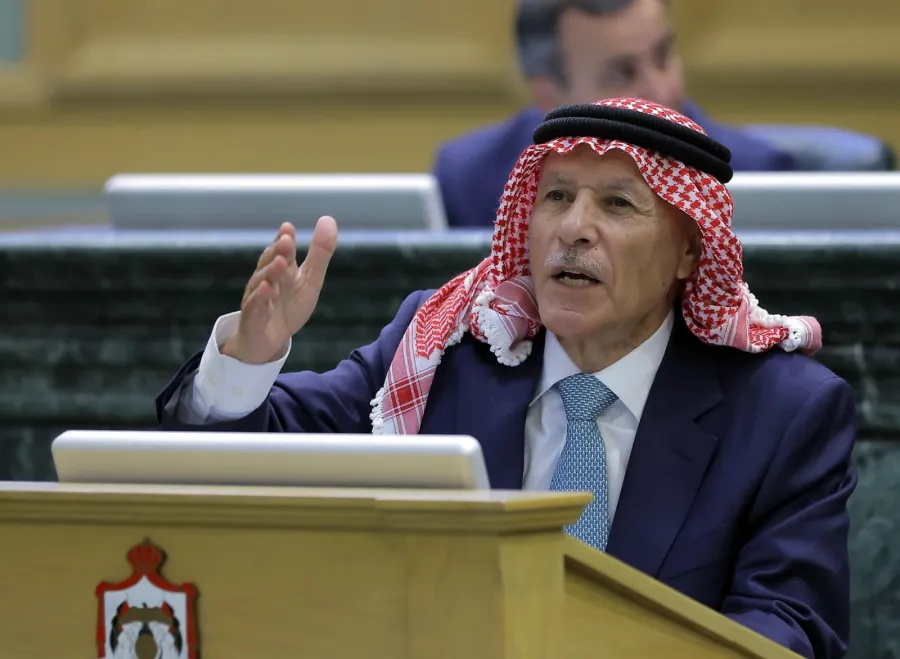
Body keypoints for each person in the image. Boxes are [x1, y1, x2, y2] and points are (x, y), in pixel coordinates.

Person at [157, 98, 855, 659]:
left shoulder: (781, 412)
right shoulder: (443, 348)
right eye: (556, 196)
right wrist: (248, 358)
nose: (574, 228)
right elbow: (257, 462)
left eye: (617, 204)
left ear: (689, 253)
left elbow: (788, 626)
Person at [434, 0, 796, 228]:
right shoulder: (470, 182)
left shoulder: (756, 173)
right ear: (548, 94)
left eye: (663, 55)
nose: (662, 90)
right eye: (623, 73)